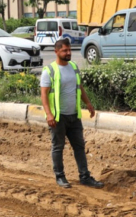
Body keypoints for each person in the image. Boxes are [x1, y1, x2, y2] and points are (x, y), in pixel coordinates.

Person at [40, 37, 104, 189]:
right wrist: (49, 114)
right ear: (56, 52)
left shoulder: (74, 66)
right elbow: (44, 95)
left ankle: (85, 176)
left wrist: (88, 103)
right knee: (58, 146)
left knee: (79, 147)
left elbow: (79, 87)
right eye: (65, 50)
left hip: (74, 116)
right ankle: (60, 176)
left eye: (69, 50)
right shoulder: (49, 71)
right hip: (58, 117)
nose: (68, 53)